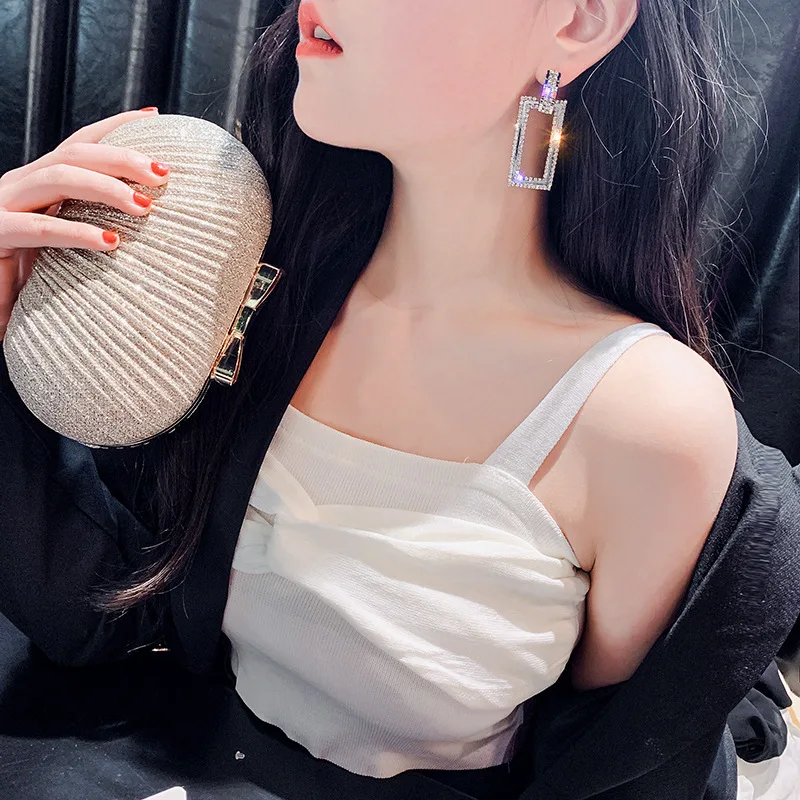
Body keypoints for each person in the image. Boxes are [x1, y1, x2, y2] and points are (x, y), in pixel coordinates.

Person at [0, 1, 798, 798]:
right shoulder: (251, 282)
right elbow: (107, 602)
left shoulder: (645, 420)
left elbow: (611, 767)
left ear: (579, 22)